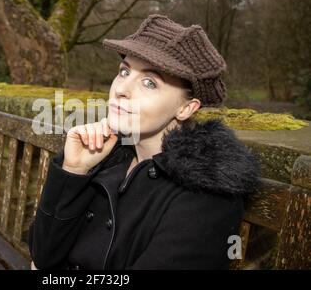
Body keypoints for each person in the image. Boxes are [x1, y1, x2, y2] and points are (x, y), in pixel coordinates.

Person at [27, 14, 260, 270]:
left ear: (186, 108)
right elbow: (43, 255)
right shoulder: (104, 158)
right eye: (124, 71)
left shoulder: (206, 195)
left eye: (149, 82)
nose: (121, 89)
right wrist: (73, 171)